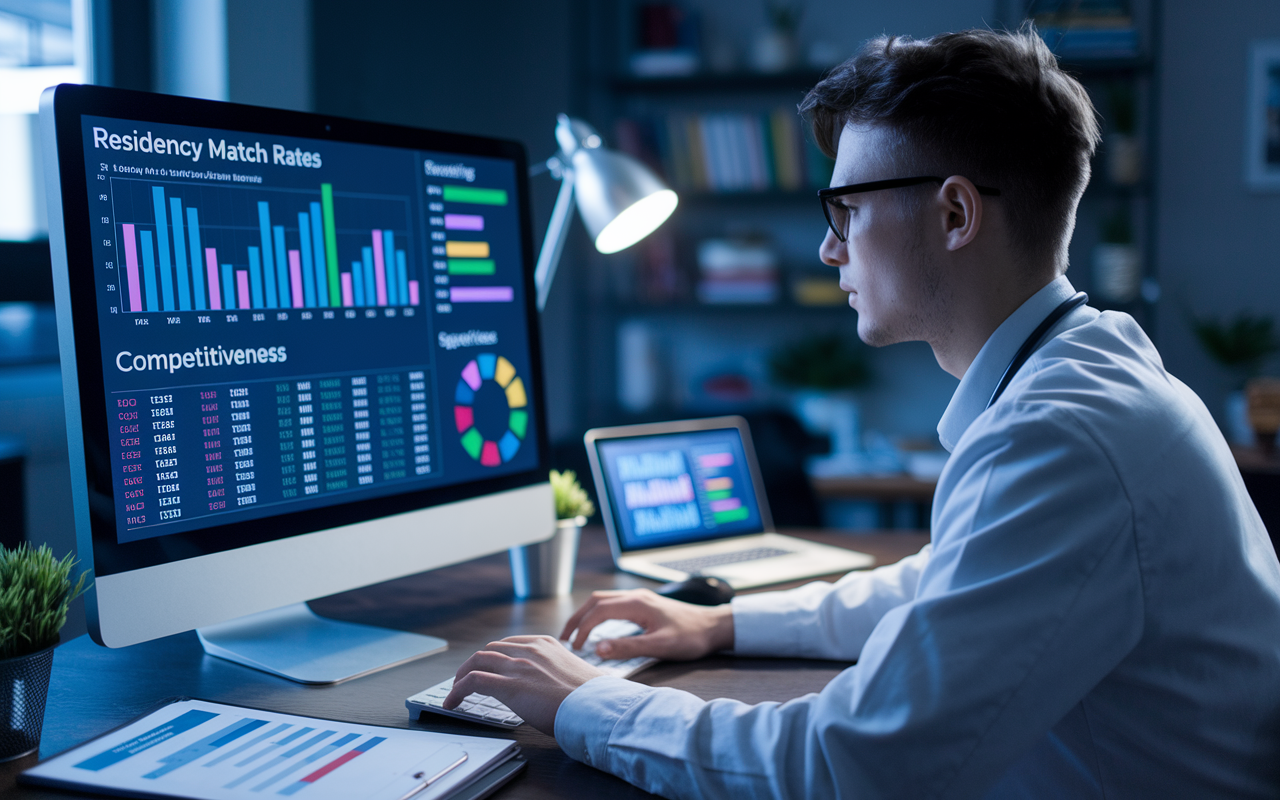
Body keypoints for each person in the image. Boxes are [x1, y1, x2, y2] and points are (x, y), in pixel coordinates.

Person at [445, 26, 1280, 798]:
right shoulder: (1090, 369)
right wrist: (723, 623)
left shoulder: (1063, 435)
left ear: (955, 213)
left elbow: (848, 765)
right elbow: (949, 589)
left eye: (847, 208)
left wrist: (586, 703)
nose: (828, 246)